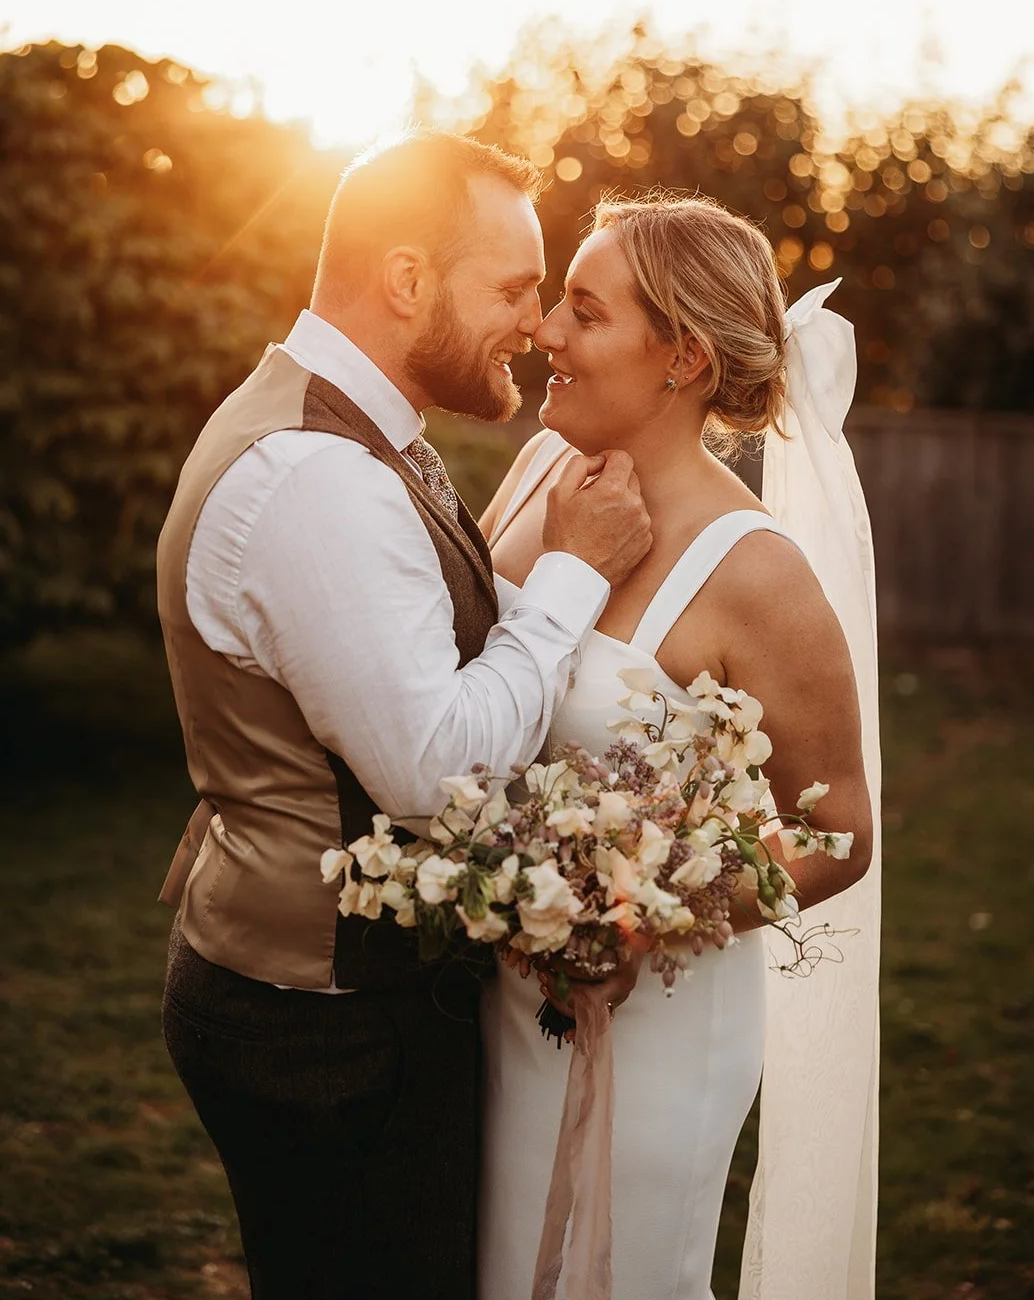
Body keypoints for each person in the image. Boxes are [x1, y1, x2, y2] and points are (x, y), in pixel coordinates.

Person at [156, 131, 653, 1300]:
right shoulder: (317, 478)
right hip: (324, 1031)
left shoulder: (359, 433)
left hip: (317, 1000)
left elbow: (421, 638)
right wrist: (578, 573)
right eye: (514, 289)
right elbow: (437, 776)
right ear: (408, 280)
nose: (536, 327)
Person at [477, 192, 879, 1300]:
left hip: (655, 1023)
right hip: (490, 997)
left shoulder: (758, 574)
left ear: (682, 357)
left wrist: (647, 920)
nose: (545, 335)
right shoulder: (535, 482)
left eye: (583, 313)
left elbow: (838, 832)